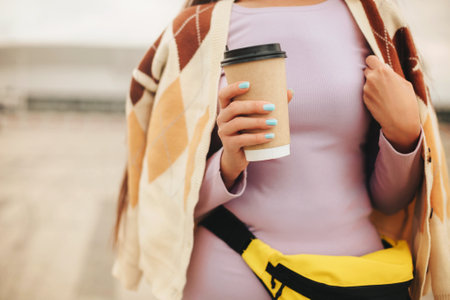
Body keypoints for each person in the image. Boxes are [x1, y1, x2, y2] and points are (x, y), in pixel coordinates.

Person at [112, 0, 450, 299]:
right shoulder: (195, 32)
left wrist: (404, 134)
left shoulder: (374, 21)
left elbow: (392, 202)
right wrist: (228, 164)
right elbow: (171, 203)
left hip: (358, 279)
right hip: (229, 272)